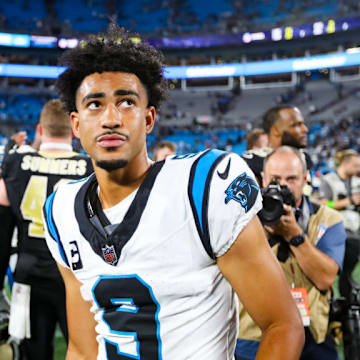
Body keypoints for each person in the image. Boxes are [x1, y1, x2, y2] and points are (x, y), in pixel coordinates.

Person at [42, 25, 304, 360]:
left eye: (126, 102)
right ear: (76, 126)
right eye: (94, 104)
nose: (110, 118)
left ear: (148, 118)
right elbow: (81, 347)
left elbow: (282, 325)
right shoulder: (61, 210)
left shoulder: (203, 187)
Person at [0, 99, 93, 360]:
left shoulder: (16, 164)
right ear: (74, 130)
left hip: (29, 275)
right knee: (84, 352)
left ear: (40, 130)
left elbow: (2, 229)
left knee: (32, 354)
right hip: (76, 278)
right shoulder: (90, 167)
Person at [236, 146, 346, 360]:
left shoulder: (328, 219)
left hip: (313, 334)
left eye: (292, 178)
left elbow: (325, 278)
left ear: (306, 178)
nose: (284, 185)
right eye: (276, 178)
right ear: (263, 179)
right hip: (255, 335)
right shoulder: (242, 219)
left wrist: (294, 234)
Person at [318, 149, 360, 299]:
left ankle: (346, 302)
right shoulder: (329, 180)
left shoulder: (356, 181)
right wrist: (347, 202)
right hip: (335, 230)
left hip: (353, 232)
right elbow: (323, 203)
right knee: (331, 271)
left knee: (347, 270)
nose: (358, 169)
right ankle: (330, 300)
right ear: (345, 163)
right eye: (355, 165)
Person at [242, 105, 311, 185]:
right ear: (275, 130)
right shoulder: (253, 162)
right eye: (296, 125)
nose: (305, 129)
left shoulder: (304, 157)